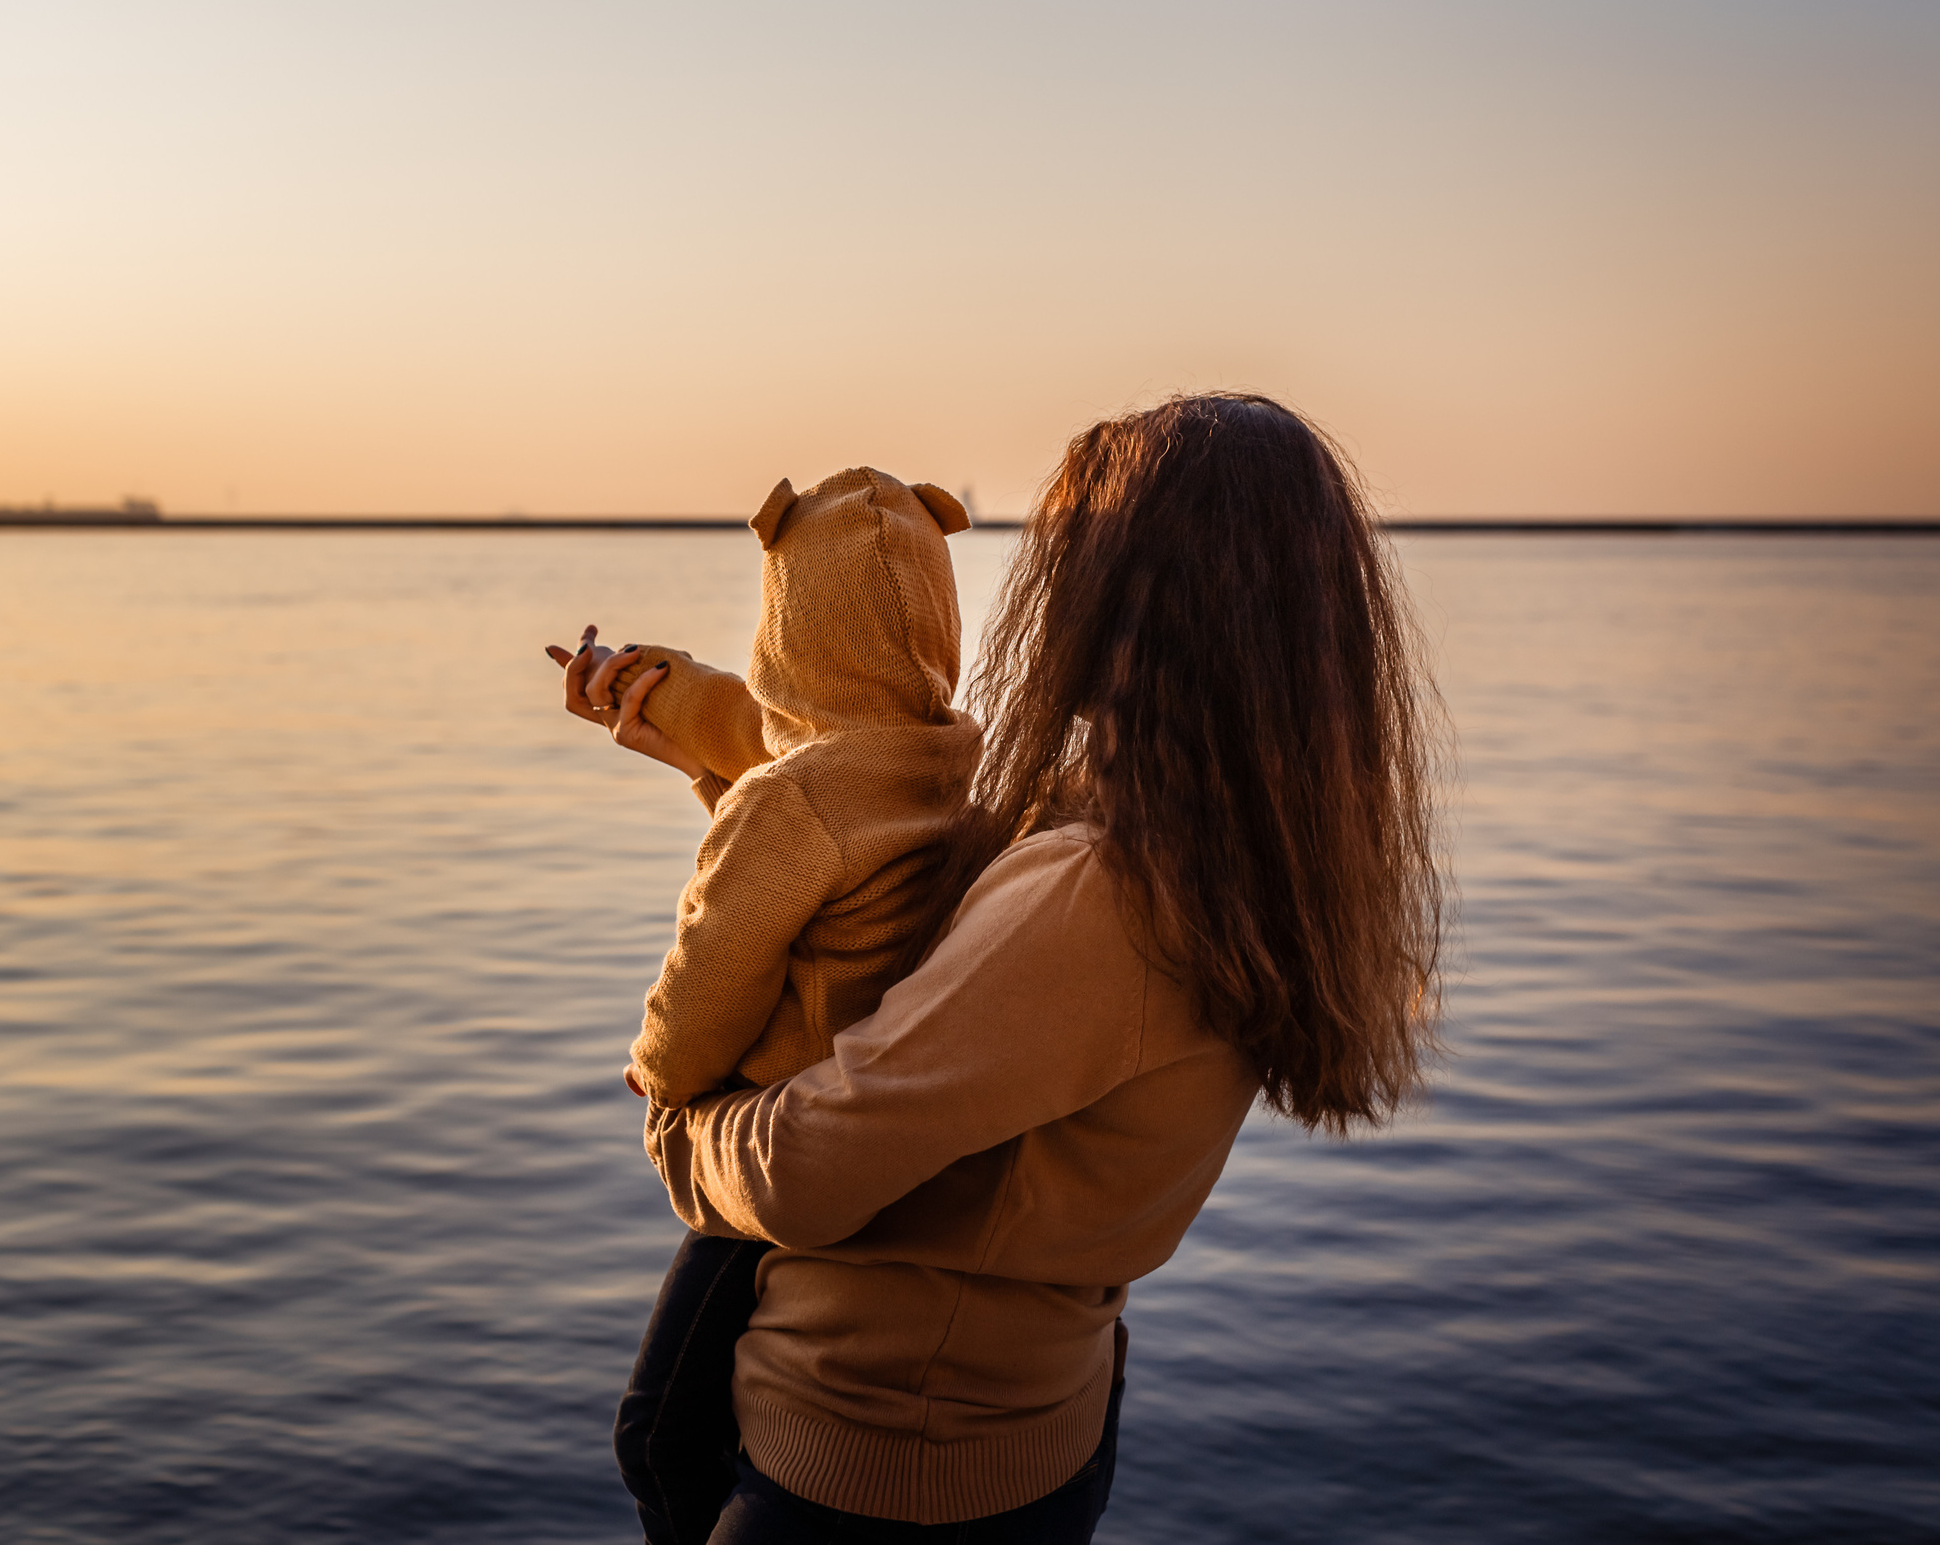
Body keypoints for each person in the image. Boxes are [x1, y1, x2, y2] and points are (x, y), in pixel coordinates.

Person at [555, 394, 1442, 1541]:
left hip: (874, 1464)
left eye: (1070, 550)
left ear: (1137, 597)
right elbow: (874, 856)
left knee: (652, 1444)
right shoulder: (1228, 845)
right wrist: (696, 728)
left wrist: (681, 1129)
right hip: (1025, 1422)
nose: (1043, 584)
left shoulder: (1098, 890)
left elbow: (800, 1172)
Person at [548, 467, 983, 1545]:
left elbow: (718, 955)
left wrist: (661, 1071)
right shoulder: (946, 759)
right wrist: (640, 684)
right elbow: (759, 732)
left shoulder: (793, 800)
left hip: (772, 1129)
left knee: (654, 1435)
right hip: (877, 1116)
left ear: (785, 620)